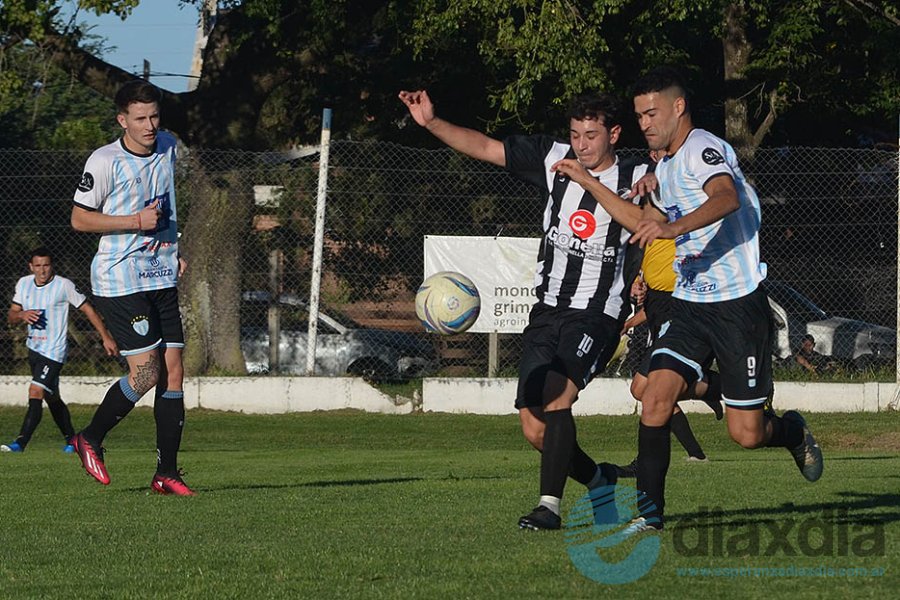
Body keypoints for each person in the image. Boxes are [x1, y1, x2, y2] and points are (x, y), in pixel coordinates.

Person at [551, 66, 823, 533]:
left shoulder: (701, 147)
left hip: (737, 307)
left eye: (652, 113)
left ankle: (792, 430)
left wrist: (672, 228)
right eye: (639, 116)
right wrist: (589, 182)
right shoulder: (666, 167)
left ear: (679, 107)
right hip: (689, 305)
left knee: (747, 433)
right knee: (655, 397)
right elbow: (643, 221)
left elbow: (726, 197)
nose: (645, 123)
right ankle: (650, 516)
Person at [399, 89, 650, 530]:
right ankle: (599, 481)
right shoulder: (553, 157)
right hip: (547, 310)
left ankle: (548, 507)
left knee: (557, 395)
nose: (581, 145)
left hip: (597, 313)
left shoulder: (640, 174)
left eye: (591, 135)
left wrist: (598, 187)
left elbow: (652, 222)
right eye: (575, 134)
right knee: (535, 429)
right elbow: (485, 147)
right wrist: (432, 122)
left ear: (614, 134)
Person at [70, 80, 193, 495]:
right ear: (122, 120)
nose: (149, 125)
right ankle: (90, 437)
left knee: (173, 371)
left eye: (154, 116)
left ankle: (166, 474)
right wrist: (134, 222)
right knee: (146, 372)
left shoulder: (168, 146)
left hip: (161, 273)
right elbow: (79, 219)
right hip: (120, 278)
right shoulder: (105, 160)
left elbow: (167, 202)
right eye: (140, 118)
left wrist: (175, 248)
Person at [0, 248, 118, 453]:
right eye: (38, 266)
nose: (42, 270)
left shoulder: (63, 285)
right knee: (51, 397)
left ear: (51, 266)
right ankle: (73, 440)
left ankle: (20, 443)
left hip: (54, 352)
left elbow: (88, 309)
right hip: (34, 349)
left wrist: (106, 337)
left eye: (46, 265)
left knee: (35, 390)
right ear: (31, 267)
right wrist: (21, 315)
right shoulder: (24, 283)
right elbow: (11, 315)